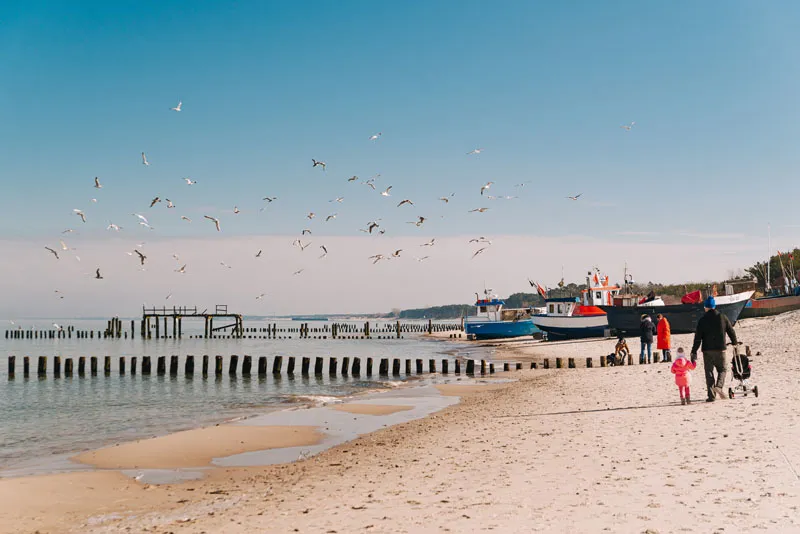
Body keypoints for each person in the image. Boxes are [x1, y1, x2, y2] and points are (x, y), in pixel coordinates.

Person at [690, 296, 738, 402]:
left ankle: (711, 396)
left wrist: (694, 351)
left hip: (707, 350)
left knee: (709, 372)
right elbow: (731, 331)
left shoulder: (702, 320)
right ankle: (719, 386)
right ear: (714, 306)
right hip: (720, 349)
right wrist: (735, 343)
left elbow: (697, 338)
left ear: (706, 307)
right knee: (722, 369)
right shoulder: (723, 317)